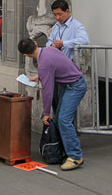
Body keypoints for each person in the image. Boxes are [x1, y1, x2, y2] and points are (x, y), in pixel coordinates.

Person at [18, 37, 87, 171]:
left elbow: (47, 91)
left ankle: (75, 156)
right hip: (74, 83)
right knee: (61, 117)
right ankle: (66, 150)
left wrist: (46, 113)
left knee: (63, 119)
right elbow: (56, 66)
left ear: (25, 55)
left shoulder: (43, 64)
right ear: (36, 43)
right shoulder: (49, 50)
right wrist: (39, 76)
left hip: (75, 86)